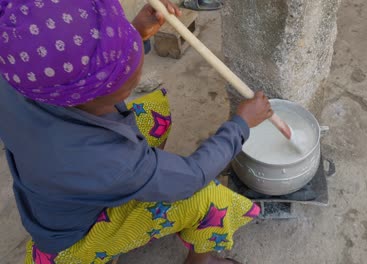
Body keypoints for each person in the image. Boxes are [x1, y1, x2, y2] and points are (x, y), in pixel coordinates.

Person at [0, 1, 273, 263]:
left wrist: (136, 31)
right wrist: (240, 125)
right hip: (77, 240)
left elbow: (87, 67)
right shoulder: (107, 159)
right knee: (212, 199)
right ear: (95, 95)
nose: (138, 53)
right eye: (127, 80)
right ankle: (200, 260)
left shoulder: (21, 76)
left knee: (156, 111)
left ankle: (148, 181)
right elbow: (193, 176)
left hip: (53, 202)